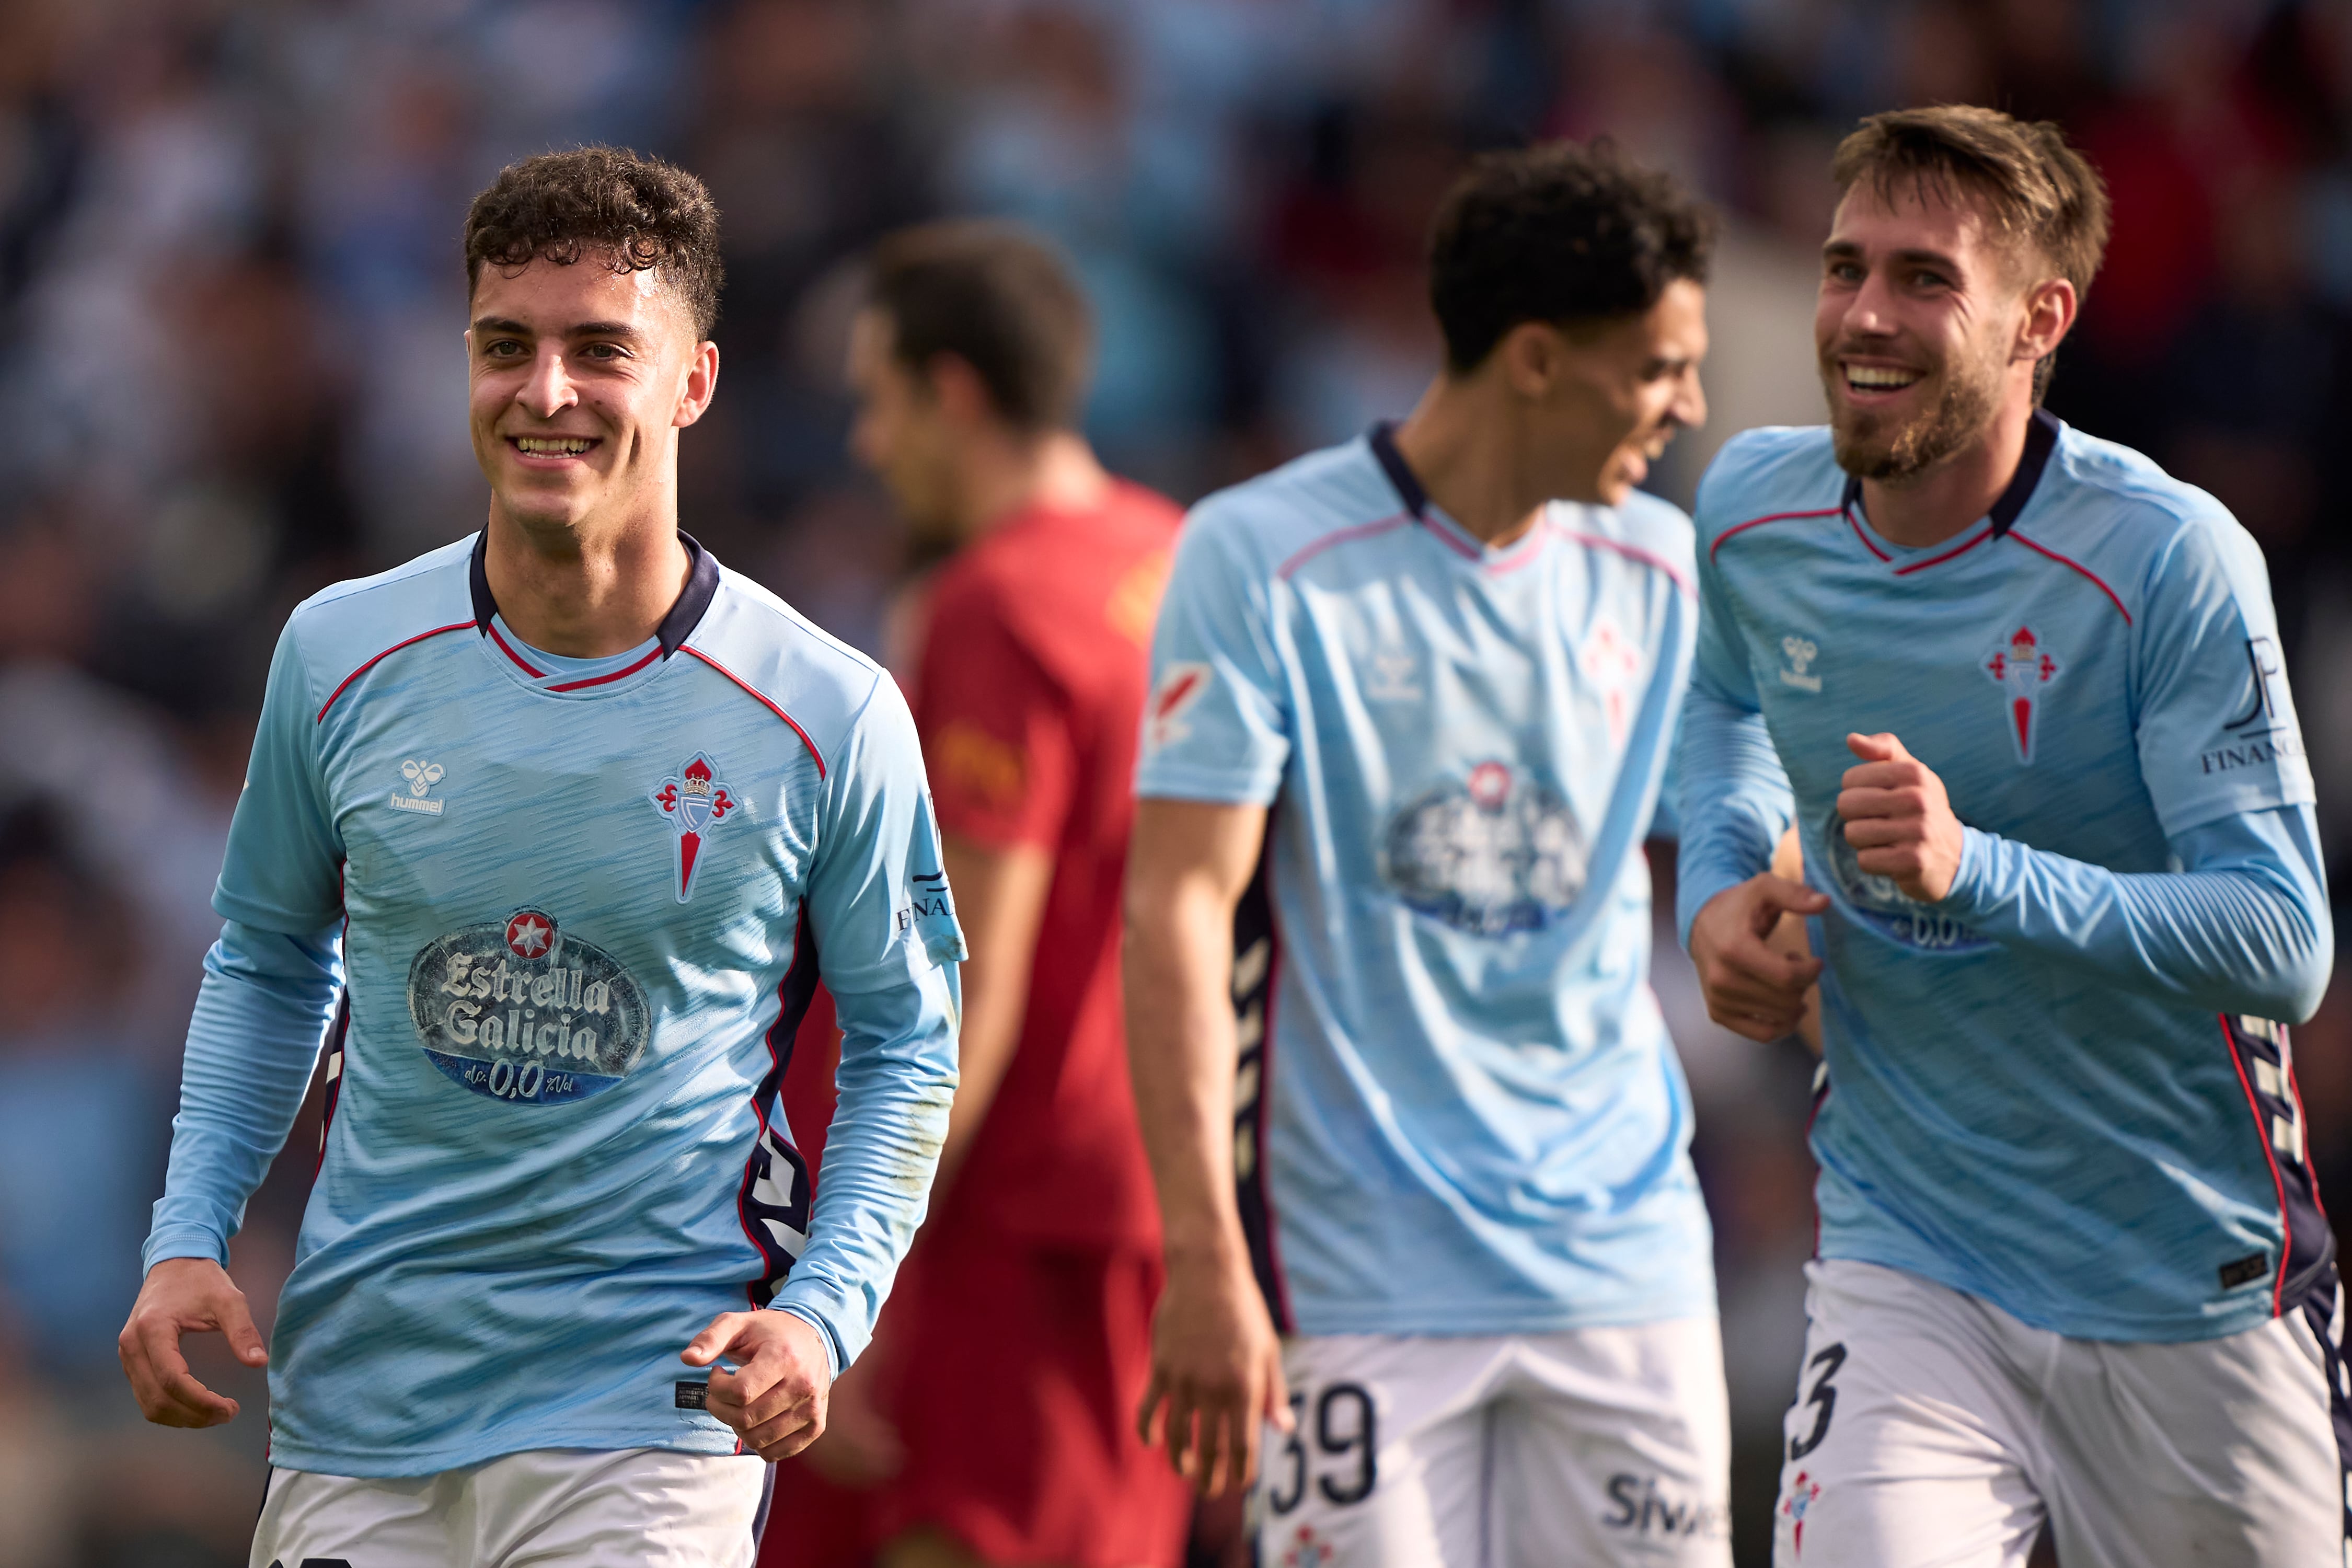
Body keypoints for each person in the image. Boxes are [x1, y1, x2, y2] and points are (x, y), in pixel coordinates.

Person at [116, 147, 965, 1568]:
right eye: (506, 347)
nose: (545, 392)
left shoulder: (824, 709)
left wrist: (826, 1310)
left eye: (599, 351)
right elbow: (269, 957)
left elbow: (904, 1039)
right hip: (361, 1408)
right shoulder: (340, 654)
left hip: (652, 1415)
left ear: (692, 380)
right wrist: (188, 1226)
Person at [1676, 106, 2345, 1568]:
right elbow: (1718, 703)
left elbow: (2280, 943)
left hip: (2187, 1285)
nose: (1861, 314)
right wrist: (1723, 887)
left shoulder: (2164, 557)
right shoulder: (1745, 510)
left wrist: (1974, 869)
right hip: (1908, 1258)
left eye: (1923, 279)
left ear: (2039, 317)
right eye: (1846, 266)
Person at [1125, 141, 1728, 1566]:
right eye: (1656, 366)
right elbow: (1175, 914)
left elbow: (1719, 836)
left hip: (1624, 1263)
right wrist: (1205, 1258)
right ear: (1533, 359)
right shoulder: (1256, 555)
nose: (1687, 404)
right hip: (1355, 1275)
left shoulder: (1666, 567)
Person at [769, 220, 1192, 1568]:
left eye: (879, 400)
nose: (868, 445)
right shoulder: (1166, 553)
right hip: (1136, 1196)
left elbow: (964, 983)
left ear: (952, 393)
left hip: (997, 1228)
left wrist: (849, 1291)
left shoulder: (997, 606)